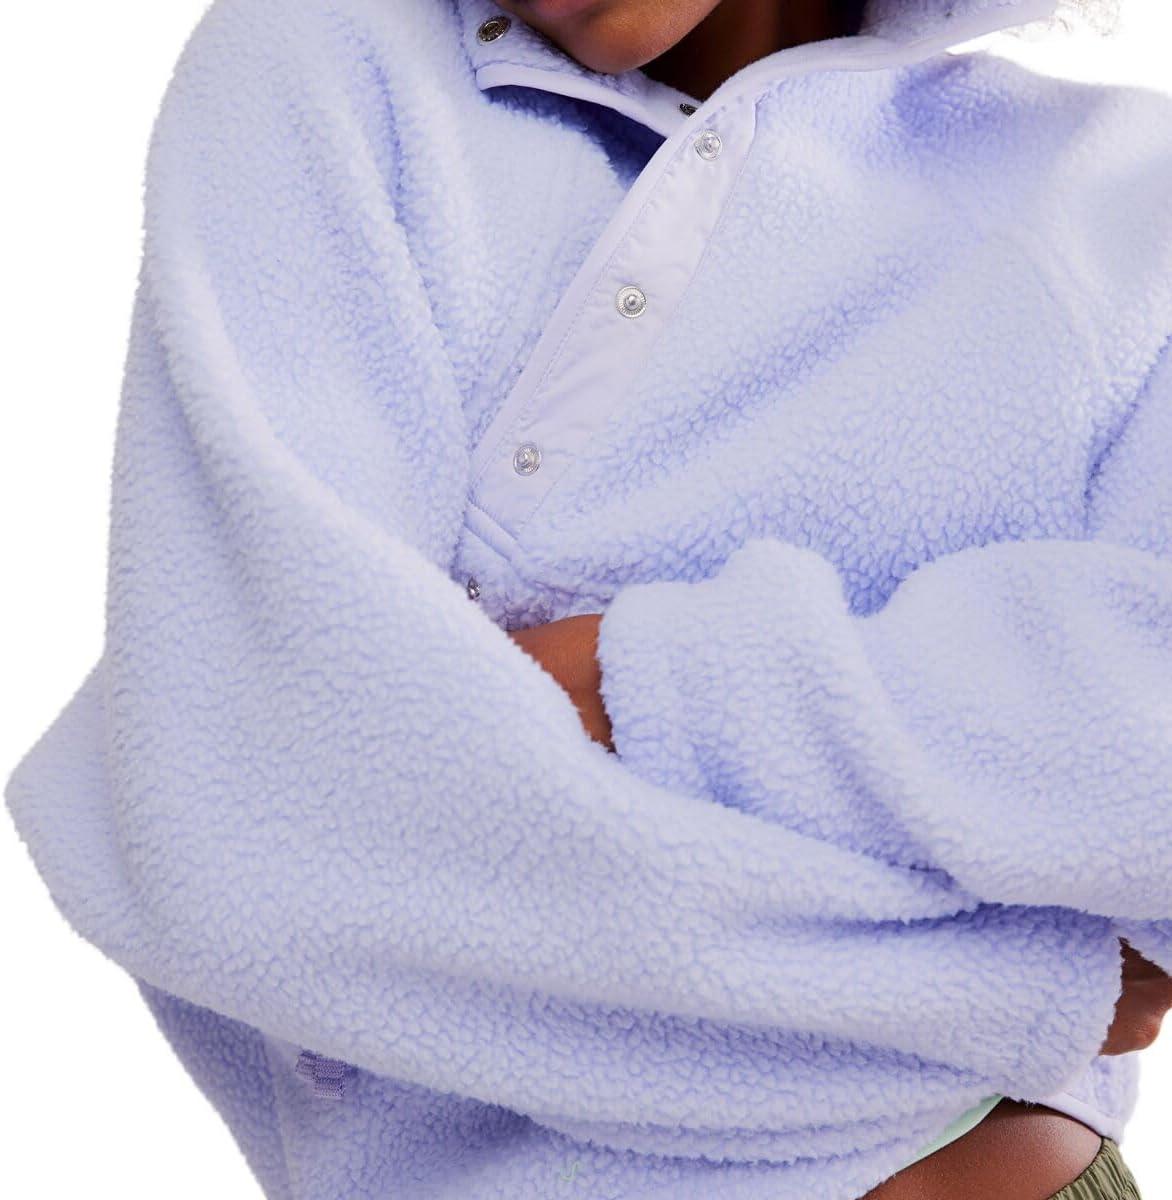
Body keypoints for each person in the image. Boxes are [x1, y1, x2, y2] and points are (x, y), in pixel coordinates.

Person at [6, 0, 1172, 1197]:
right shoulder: (330, 63)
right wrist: (1012, 986)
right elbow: (257, 816)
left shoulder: (1125, 197)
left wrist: (633, 683)